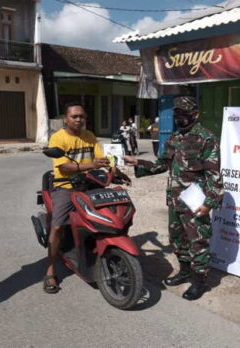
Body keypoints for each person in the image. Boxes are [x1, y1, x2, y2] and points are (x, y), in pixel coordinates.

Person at [124, 96, 223, 301]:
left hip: (196, 202)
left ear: (195, 114)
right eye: (177, 114)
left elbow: (215, 176)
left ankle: (200, 281)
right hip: (175, 200)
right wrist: (137, 161)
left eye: (184, 113)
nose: (180, 117)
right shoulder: (175, 138)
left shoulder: (206, 138)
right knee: (178, 240)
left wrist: (209, 204)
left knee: (198, 242)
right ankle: (185, 271)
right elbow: (162, 164)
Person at [44, 102, 110, 293]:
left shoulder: (89, 136)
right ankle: (50, 270)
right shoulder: (58, 138)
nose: (79, 119)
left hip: (88, 183)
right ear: (66, 118)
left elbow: (101, 158)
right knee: (57, 226)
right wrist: (91, 165)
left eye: (82, 116)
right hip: (65, 186)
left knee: (107, 213)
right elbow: (63, 167)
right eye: (74, 116)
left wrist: (115, 168)